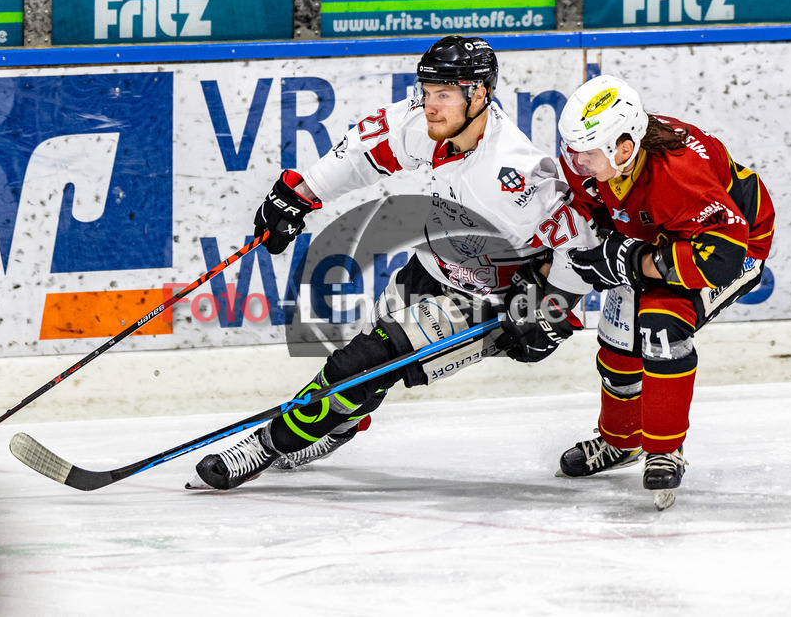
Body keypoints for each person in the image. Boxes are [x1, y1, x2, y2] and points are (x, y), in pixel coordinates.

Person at [189, 35, 599, 490]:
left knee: (362, 363)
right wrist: (299, 197)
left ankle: (266, 445)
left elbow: (581, 239)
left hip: (490, 300)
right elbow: (365, 153)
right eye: (426, 92)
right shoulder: (429, 123)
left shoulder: (511, 174)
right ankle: (339, 428)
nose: (429, 106)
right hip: (434, 264)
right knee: (370, 365)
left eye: (443, 95)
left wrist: (552, 309)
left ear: (479, 94)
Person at [555, 75, 775, 505]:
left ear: (624, 147)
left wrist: (633, 261)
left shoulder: (678, 174)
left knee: (660, 326)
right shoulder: (592, 155)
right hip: (657, 238)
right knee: (619, 340)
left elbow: (720, 259)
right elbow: (594, 210)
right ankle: (621, 442)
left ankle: (664, 449)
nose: (576, 162)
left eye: (587, 154)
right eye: (573, 150)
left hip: (734, 248)